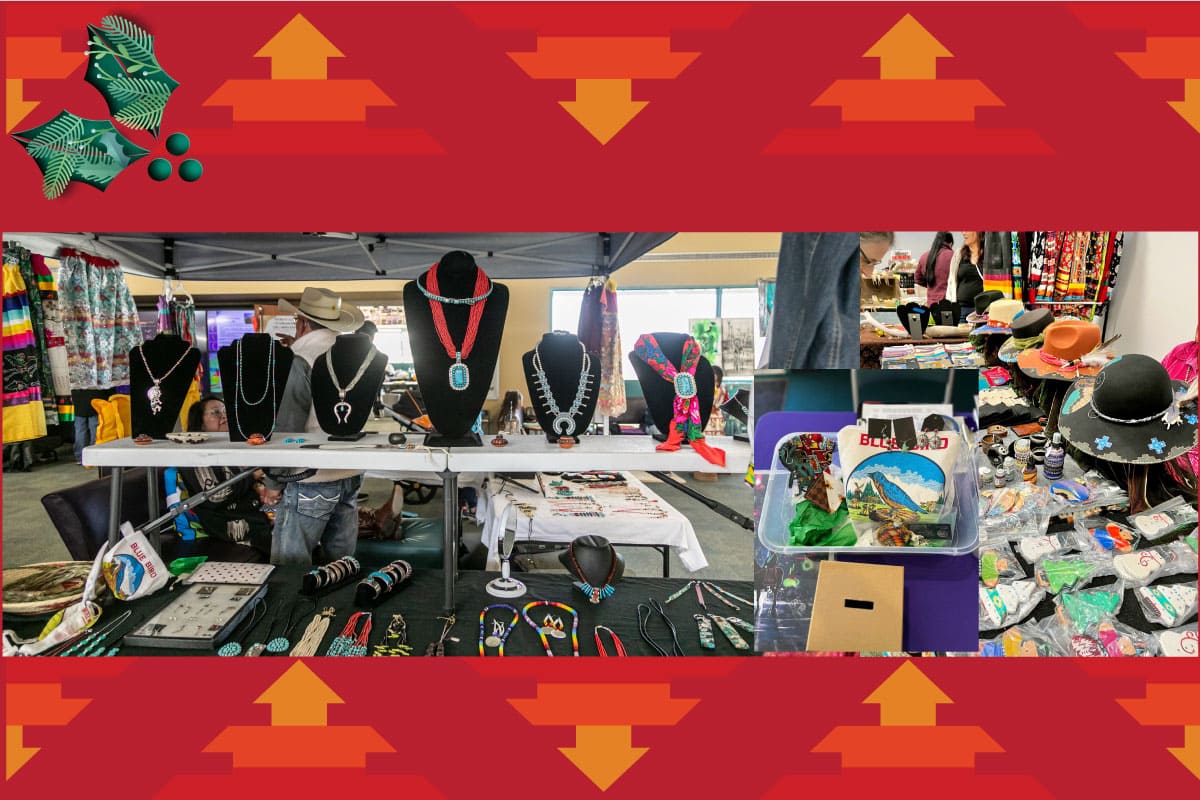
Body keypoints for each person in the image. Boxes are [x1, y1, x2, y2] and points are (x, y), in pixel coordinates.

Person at [267, 287, 367, 566]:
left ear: (302, 322)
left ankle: (290, 611)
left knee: (290, 566)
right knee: (341, 565)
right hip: (350, 470)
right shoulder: (357, 355)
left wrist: (273, 481)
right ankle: (339, 610)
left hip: (310, 475)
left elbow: (289, 426)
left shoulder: (301, 360)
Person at [178, 395, 272, 556]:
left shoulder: (236, 445)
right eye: (215, 412)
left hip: (255, 514)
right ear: (200, 423)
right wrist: (253, 476)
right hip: (228, 523)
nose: (223, 416)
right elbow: (216, 495)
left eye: (226, 411)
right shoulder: (196, 454)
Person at [947, 231, 985, 319]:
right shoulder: (959, 254)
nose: (963, 233)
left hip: (985, 311)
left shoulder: (989, 254)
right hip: (962, 311)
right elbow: (951, 281)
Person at [916, 232, 955, 305]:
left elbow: (918, 278)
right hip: (948, 304)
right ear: (950, 243)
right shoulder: (953, 256)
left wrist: (930, 284)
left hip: (931, 304)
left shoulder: (924, 256)